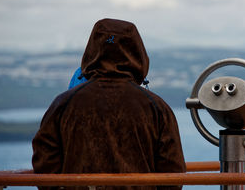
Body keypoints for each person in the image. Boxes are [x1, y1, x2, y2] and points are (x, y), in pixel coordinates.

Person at [32, 18, 186, 190]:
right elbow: (173, 177)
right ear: (138, 54)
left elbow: (44, 167)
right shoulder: (157, 107)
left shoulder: (63, 104)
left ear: (91, 52)